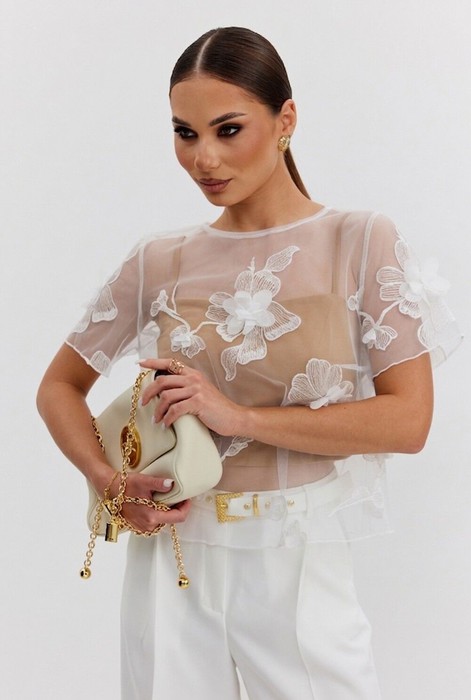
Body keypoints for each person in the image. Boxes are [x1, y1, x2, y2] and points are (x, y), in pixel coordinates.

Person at [37, 26, 461, 700]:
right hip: (172, 551)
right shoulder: (161, 259)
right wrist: (108, 481)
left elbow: (408, 423)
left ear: (285, 119)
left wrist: (237, 417)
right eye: (184, 133)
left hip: (297, 554)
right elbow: (59, 386)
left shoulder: (358, 240)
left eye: (228, 129)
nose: (203, 158)